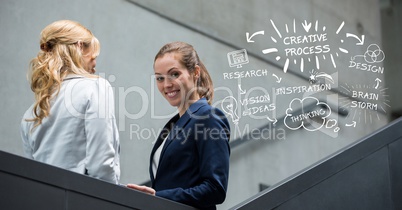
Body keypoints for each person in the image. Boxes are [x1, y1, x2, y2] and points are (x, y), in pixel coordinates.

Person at [127, 41, 230, 209]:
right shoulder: (174, 124)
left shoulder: (208, 117)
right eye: (160, 78)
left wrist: (158, 196)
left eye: (174, 74)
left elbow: (215, 188)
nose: (166, 85)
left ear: (195, 72)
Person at [20, 20, 120, 184]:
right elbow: (101, 165)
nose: (95, 65)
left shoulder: (31, 113)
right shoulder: (95, 86)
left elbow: (33, 176)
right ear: (79, 47)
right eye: (93, 57)